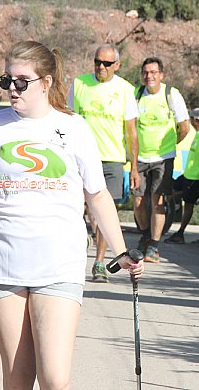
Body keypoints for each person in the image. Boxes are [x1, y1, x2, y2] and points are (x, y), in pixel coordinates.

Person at [0, 40, 144, 390]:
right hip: (2, 261)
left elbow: (98, 195)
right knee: (17, 379)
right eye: (7, 81)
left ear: (45, 82)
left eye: (21, 82)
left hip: (58, 262)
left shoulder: (74, 128)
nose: (13, 89)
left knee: (55, 380)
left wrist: (122, 252)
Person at [68, 44, 140, 282]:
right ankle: (78, 244)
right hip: (79, 156)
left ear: (117, 66)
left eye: (107, 64)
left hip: (112, 158)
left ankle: (99, 261)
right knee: (79, 207)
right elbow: (67, 121)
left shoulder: (125, 90)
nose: (101, 67)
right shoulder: (79, 84)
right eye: (97, 61)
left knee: (104, 211)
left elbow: (131, 132)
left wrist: (135, 167)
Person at [132, 57, 190, 262]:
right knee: (138, 201)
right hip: (139, 156)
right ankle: (145, 235)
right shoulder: (136, 95)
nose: (149, 76)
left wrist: (171, 145)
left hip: (163, 158)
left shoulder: (171, 95)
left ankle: (153, 246)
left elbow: (184, 127)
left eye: (153, 72)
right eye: (146, 73)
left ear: (161, 75)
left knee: (158, 201)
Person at [164, 107, 199, 244]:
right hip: (189, 174)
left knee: (189, 203)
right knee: (172, 191)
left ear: (195, 120)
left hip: (198, 176)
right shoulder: (197, 134)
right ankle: (173, 219)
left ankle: (180, 233)